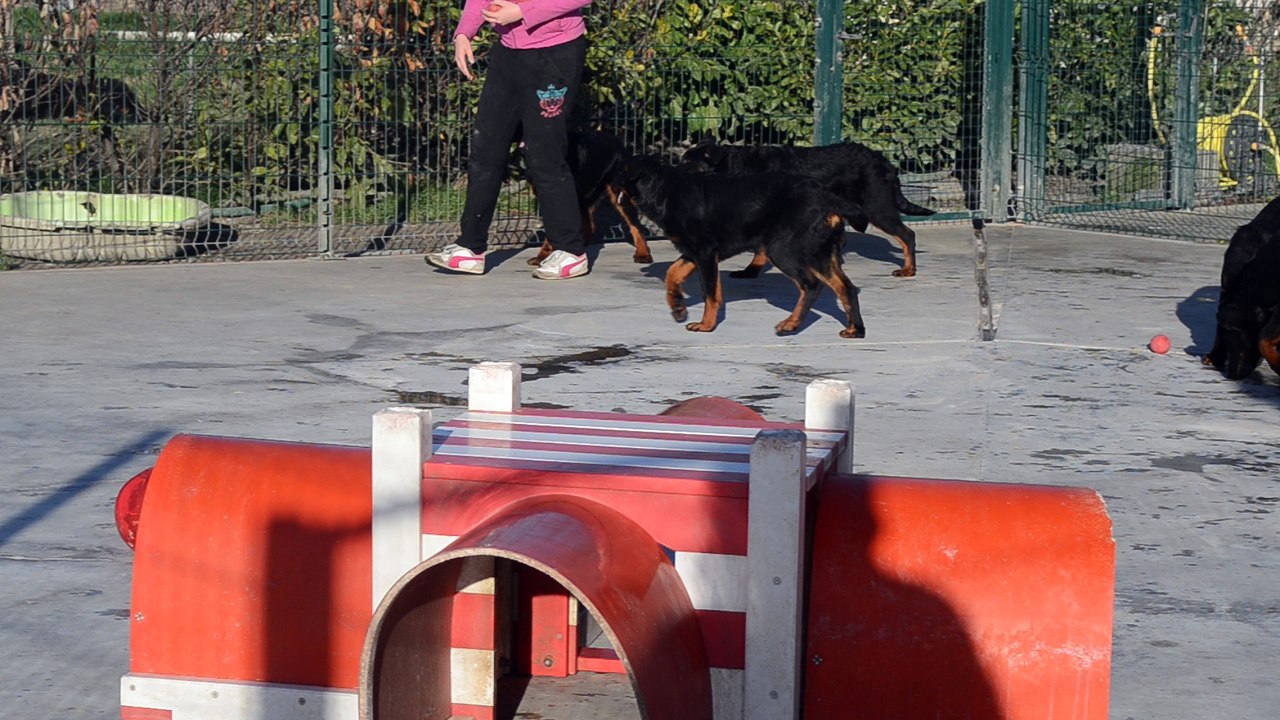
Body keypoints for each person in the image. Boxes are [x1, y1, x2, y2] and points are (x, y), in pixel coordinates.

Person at [426, 0, 594, 279]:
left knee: (544, 154)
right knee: (485, 149)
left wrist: (521, 12)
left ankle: (570, 251)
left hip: (555, 54)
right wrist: (464, 33)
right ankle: (470, 248)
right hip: (508, 53)